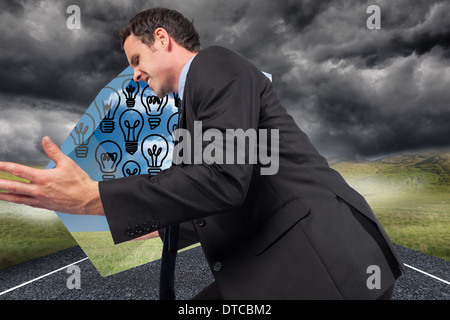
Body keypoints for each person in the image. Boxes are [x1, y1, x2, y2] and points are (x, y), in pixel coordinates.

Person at [0, 7, 404, 300]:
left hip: (322, 264)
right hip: (301, 267)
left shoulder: (213, 64)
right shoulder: (192, 113)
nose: (135, 73)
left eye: (136, 59)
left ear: (162, 38)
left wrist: (94, 196)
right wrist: (149, 222)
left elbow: (222, 180)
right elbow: (233, 189)